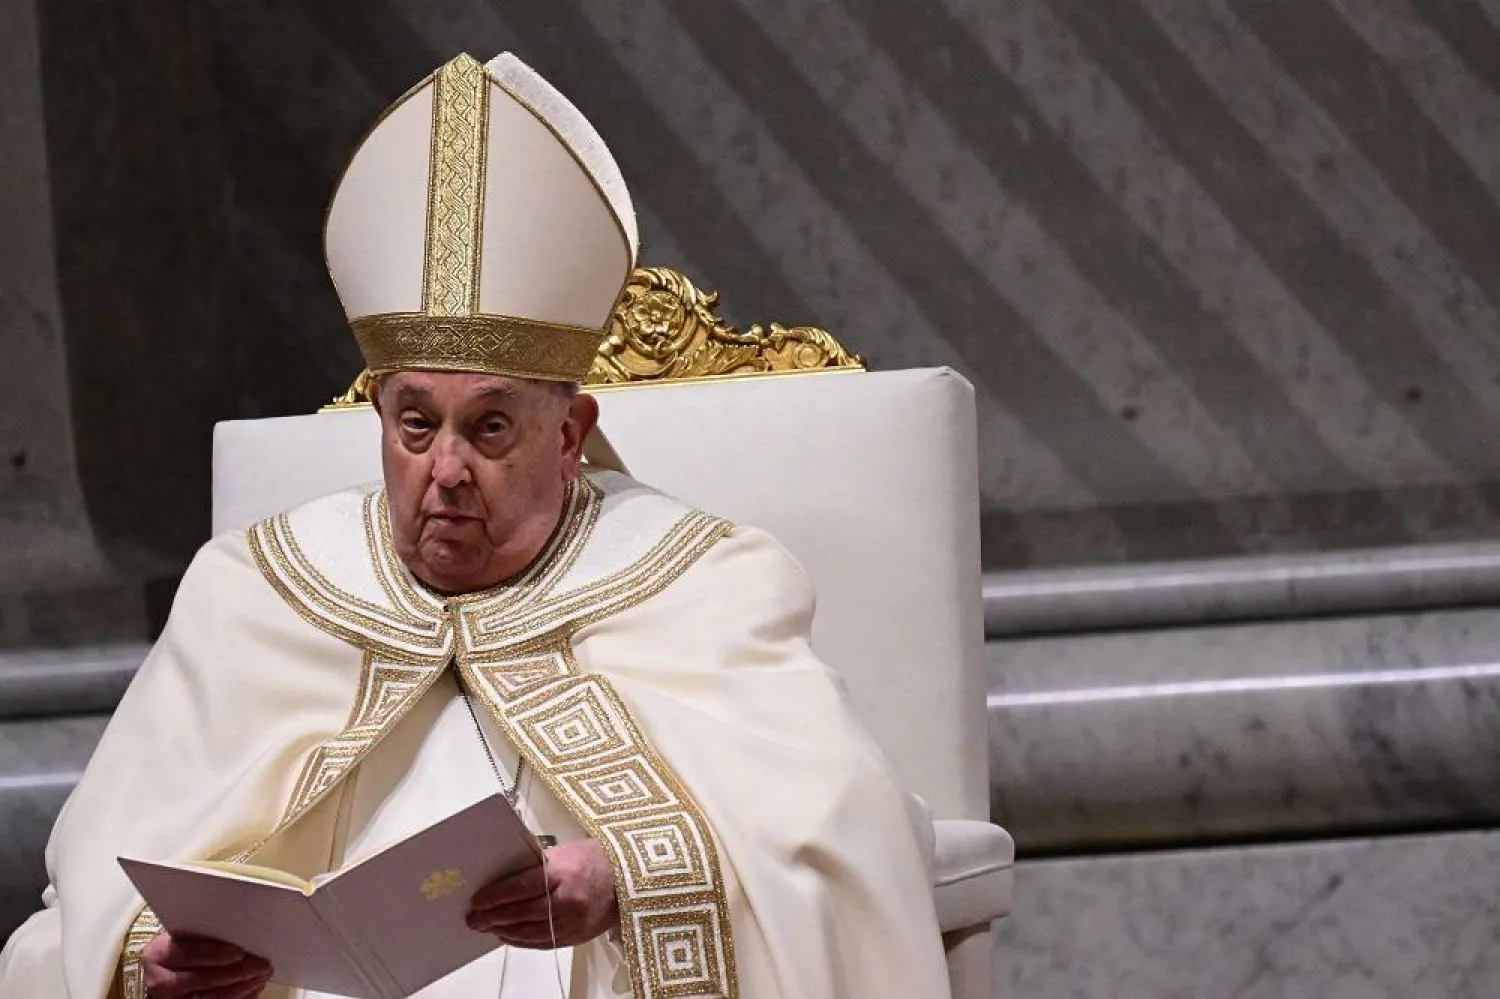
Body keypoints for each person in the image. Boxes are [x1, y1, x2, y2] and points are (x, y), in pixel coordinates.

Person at [0, 52, 950, 999]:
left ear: (570, 434)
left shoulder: (703, 579)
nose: (446, 470)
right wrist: (155, 960)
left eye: (490, 428)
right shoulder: (254, 587)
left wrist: (629, 880)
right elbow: (95, 885)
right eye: (416, 424)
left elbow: (847, 835)